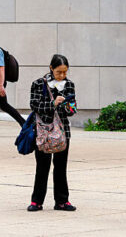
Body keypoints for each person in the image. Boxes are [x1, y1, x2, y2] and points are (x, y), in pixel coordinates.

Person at [27, 54, 76, 212]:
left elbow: (72, 109)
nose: (62, 75)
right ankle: (37, 201)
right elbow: (34, 105)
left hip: (62, 132)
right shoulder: (38, 84)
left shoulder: (69, 85)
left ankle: (62, 201)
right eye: (59, 72)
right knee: (42, 166)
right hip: (44, 131)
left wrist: (68, 107)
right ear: (51, 69)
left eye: (65, 72)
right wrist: (53, 103)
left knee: (61, 167)